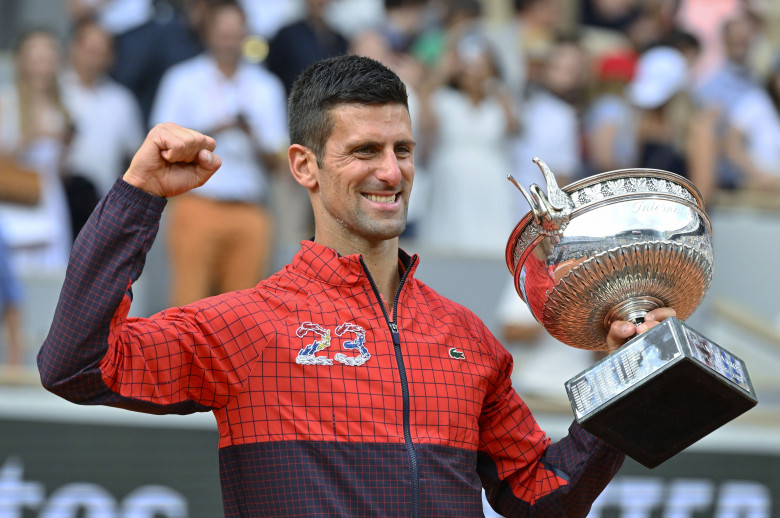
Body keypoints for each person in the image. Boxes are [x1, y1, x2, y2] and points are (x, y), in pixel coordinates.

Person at [38, 54, 676, 517]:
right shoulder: (246, 325)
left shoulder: (465, 337)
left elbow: (540, 495)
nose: (391, 171)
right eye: (365, 150)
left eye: (403, 148)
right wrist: (137, 197)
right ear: (304, 166)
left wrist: (632, 374)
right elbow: (76, 364)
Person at [149, 0, 288, 307]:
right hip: (197, 203)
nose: (229, 38)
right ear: (207, 33)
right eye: (223, 31)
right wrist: (217, 129)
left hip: (250, 208)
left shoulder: (267, 87)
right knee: (186, 307)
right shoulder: (182, 80)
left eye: (236, 32)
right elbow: (161, 144)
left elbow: (279, 159)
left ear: (246, 34)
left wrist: (251, 136)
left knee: (243, 315)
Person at [61, 17, 145, 236]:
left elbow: (133, 158)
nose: (94, 58)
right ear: (74, 48)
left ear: (111, 56)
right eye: (90, 49)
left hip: (100, 208)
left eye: (101, 51)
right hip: (55, 202)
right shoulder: (55, 91)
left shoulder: (122, 101)